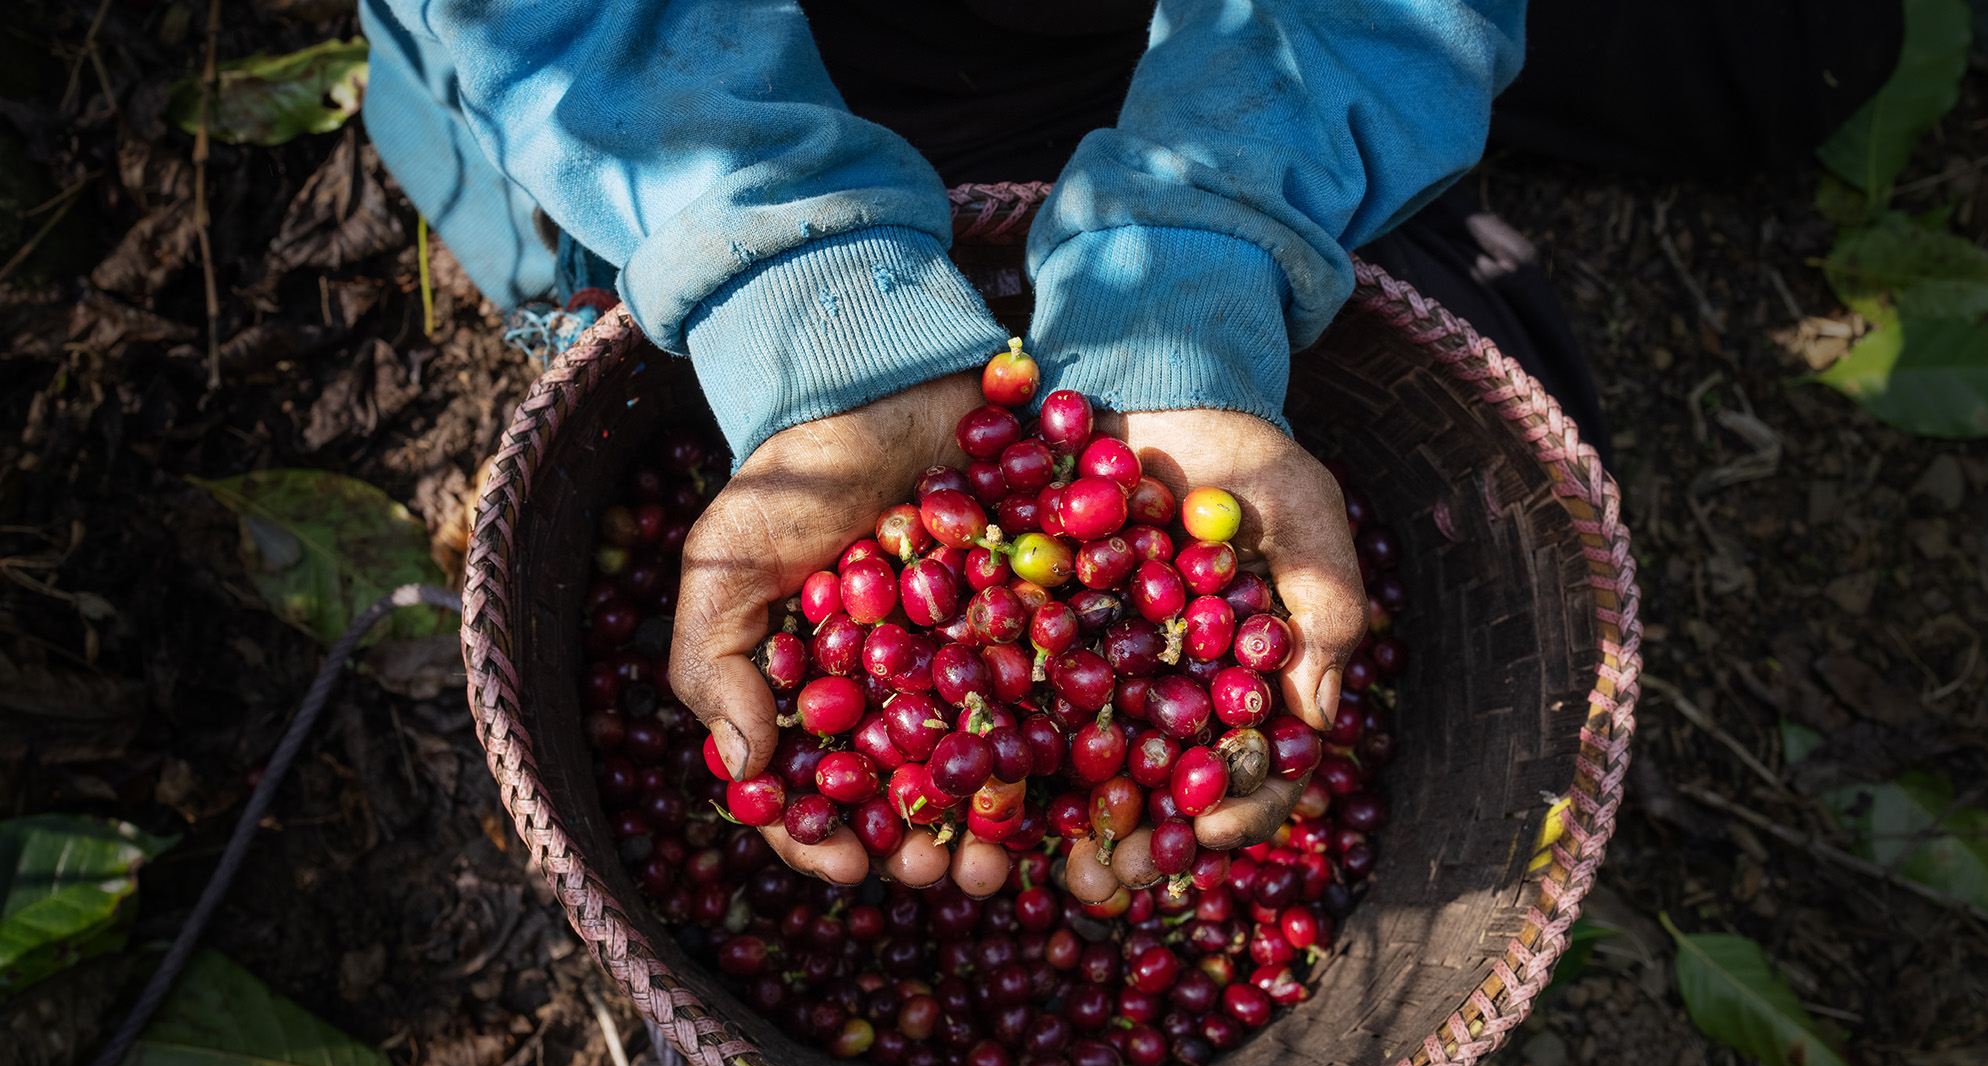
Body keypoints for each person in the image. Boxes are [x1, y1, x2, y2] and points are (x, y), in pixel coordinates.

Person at [360, 0, 1527, 896]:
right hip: (639, 80)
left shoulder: (1021, 606)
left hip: (1154, 62)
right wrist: (786, 283)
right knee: (566, 253)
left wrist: (1200, 247)